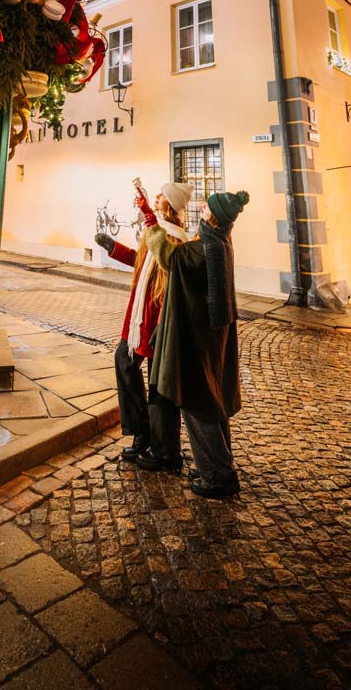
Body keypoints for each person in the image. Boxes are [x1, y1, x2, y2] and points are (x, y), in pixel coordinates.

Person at [143, 190, 249, 498]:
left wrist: (151, 223)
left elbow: (168, 256)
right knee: (213, 402)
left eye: (205, 208)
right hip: (214, 337)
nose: (200, 208)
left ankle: (218, 476)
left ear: (213, 217)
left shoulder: (201, 249)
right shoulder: (220, 243)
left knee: (197, 403)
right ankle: (220, 466)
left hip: (196, 337)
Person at [95, 181, 192, 469]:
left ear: (170, 205)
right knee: (124, 363)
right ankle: (142, 433)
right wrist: (115, 248)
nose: (157, 197)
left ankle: (163, 447)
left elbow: (170, 275)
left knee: (159, 385)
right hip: (137, 317)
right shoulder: (158, 230)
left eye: (162, 195)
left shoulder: (175, 238)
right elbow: (142, 260)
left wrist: (162, 326)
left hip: (156, 320)